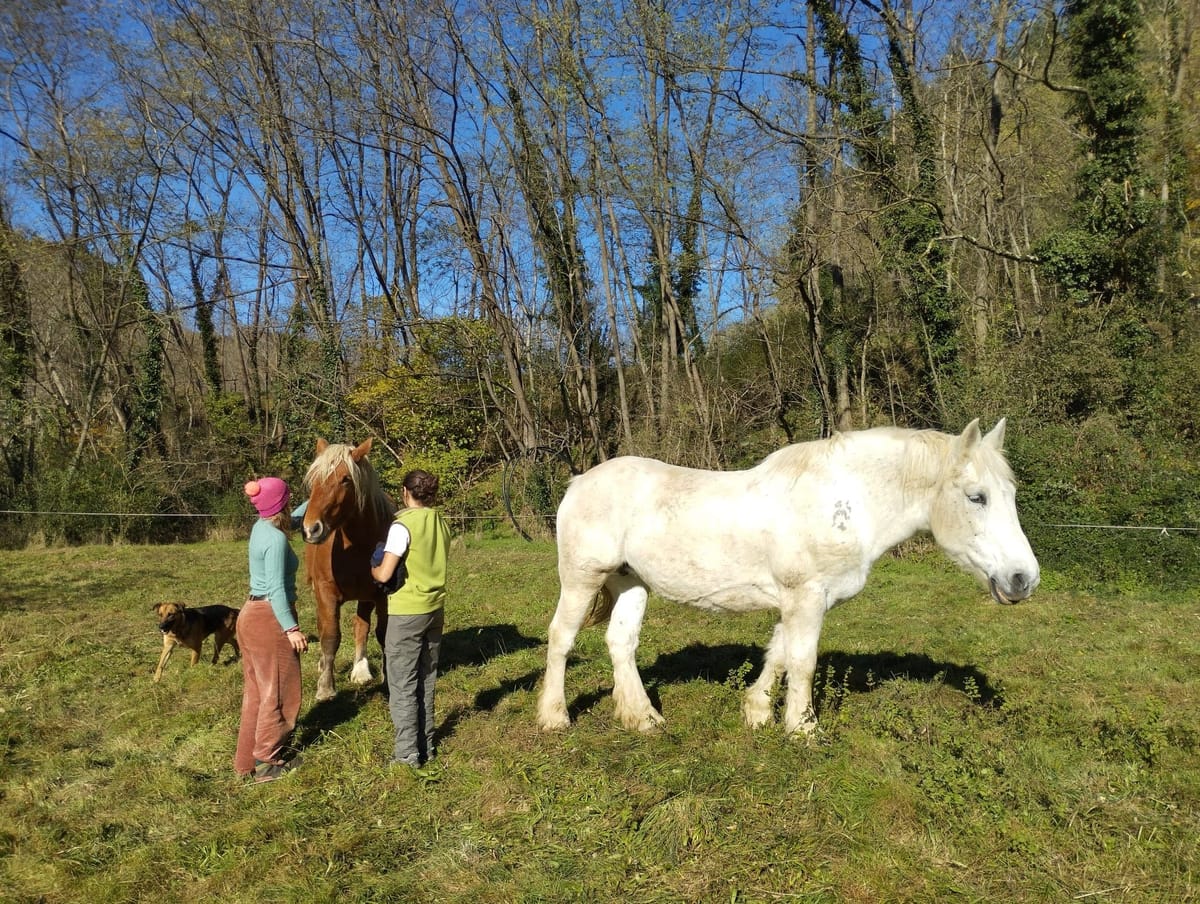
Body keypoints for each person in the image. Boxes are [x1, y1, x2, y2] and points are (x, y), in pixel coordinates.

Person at [370, 469, 451, 768]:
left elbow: (386, 572)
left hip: (406, 612)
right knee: (427, 680)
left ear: (405, 492)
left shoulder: (401, 526)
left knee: (403, 683)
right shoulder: (440, 522)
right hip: (435, 608)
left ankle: (406, 755)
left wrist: (374, 570)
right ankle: (426, 745)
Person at [234, 476, 309, 783]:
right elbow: (277, 589)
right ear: (282, 503)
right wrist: (291, 629)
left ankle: (245, 763)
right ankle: (267, 762)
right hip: (270, 618)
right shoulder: (277, 541)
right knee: (280, 692)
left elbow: (289, 517)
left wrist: (316, 500)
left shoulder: (261, 527)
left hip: (250, 615)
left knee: (256, 691)